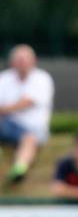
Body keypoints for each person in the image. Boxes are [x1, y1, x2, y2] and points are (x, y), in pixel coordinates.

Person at [0, 44, 54, 183]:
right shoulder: (4, 79)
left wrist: (5, 109)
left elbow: (25, 103)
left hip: (34, 128)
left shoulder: (42, 78)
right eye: (18, 59)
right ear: (12, 62)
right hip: (7, 125)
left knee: (29, 138)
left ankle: (20, 168)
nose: (21, 63)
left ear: (33, 61)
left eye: (24, 59)